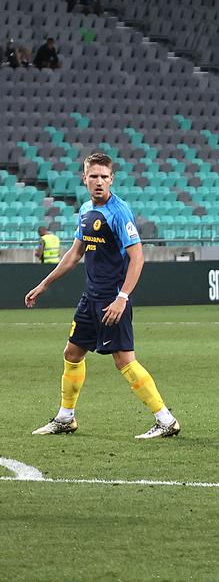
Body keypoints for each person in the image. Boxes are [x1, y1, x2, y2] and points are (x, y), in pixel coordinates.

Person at [25, 153, 181, 439]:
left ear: (112, 179)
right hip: (90, 298)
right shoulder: (86, 209)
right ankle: (65, 418)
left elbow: (138, 258)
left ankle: (166, 420)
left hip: (112, 299)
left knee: (124, 361)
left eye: (104, 177)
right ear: (84, 178)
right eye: (93, 176)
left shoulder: (119, 212)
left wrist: (122, 297)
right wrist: (45, 283)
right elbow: (75, 254)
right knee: (72, 353)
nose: (99, 182)